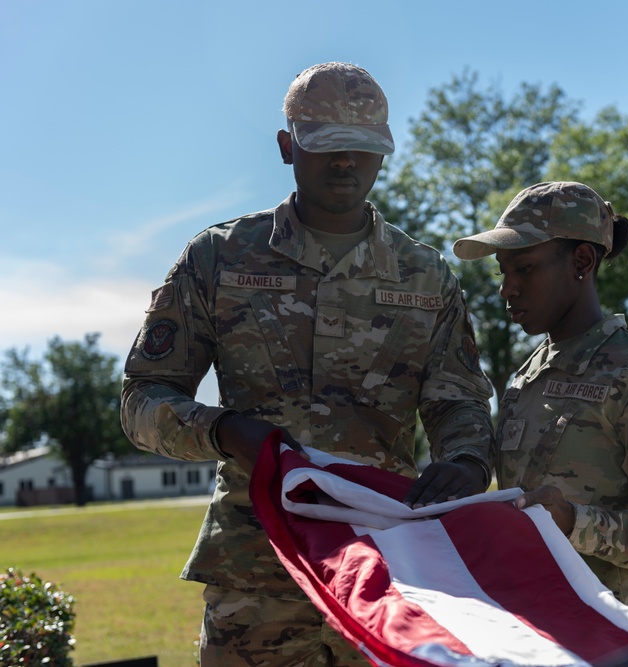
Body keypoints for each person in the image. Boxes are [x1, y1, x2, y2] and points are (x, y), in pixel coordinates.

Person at [120, 62, 495, 667]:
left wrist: (467, 459)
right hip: (257, 567)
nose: (346, 163)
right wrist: (221, 431)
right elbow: (143, 400)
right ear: (286, 146)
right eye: (326, 147)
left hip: (388, 569)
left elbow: (460, 401)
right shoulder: (220, 258)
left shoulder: (424, 276)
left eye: (363, 148)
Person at [451, 181, 628, 619]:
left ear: (581, 261)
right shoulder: (527, 375)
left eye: (525, 268)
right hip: (534, 631)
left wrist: (577, 523)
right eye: (503, 272)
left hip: (610, 639)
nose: (507, 289)